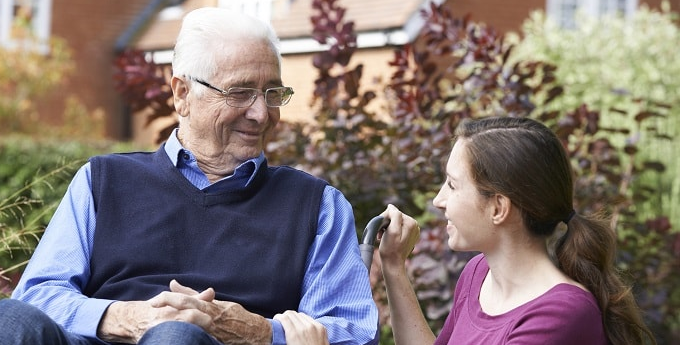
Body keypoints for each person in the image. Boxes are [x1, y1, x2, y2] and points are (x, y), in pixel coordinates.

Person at [0, 7, 378, 345]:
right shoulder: (103, 180)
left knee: (176, 338)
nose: (261, 112)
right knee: (9, 322)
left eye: (272, 92)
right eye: (239, 92)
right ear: (182, 93)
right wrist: (121, 316)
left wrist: (260, 332)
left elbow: (354, 334)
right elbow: (37, 295)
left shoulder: (315, 205)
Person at [278, 116, 656, 345]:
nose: (439, 200)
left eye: (453, 185)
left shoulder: (559, 315)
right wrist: (393, 267)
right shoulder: (479, 275)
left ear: (498, 208)